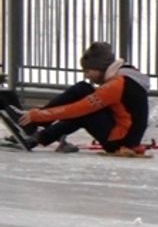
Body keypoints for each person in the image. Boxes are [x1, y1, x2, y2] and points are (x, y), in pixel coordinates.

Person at [0, 41, 150, 154]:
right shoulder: (124, 76)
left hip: (119, 141)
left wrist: (38, 115)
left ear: (100, 68)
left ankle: (36, 130)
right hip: (125, 138)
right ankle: (38, 135)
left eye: (88, 70)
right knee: (83, 90)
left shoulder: (117, 84)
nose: (87, 75)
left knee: (83, 101)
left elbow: (78, 108)